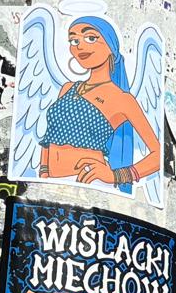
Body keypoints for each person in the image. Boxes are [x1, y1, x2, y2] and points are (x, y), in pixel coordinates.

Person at [38, 18, 161, 191]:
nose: (79, 46)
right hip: (52, 182)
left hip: (89, 182)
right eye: (74, 40)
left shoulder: (122, 99)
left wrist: (116, 176)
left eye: (90, 38)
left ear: (111, 47)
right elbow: (50, 134)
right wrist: (43, 171)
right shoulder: (67, 88)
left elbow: (158, 155)